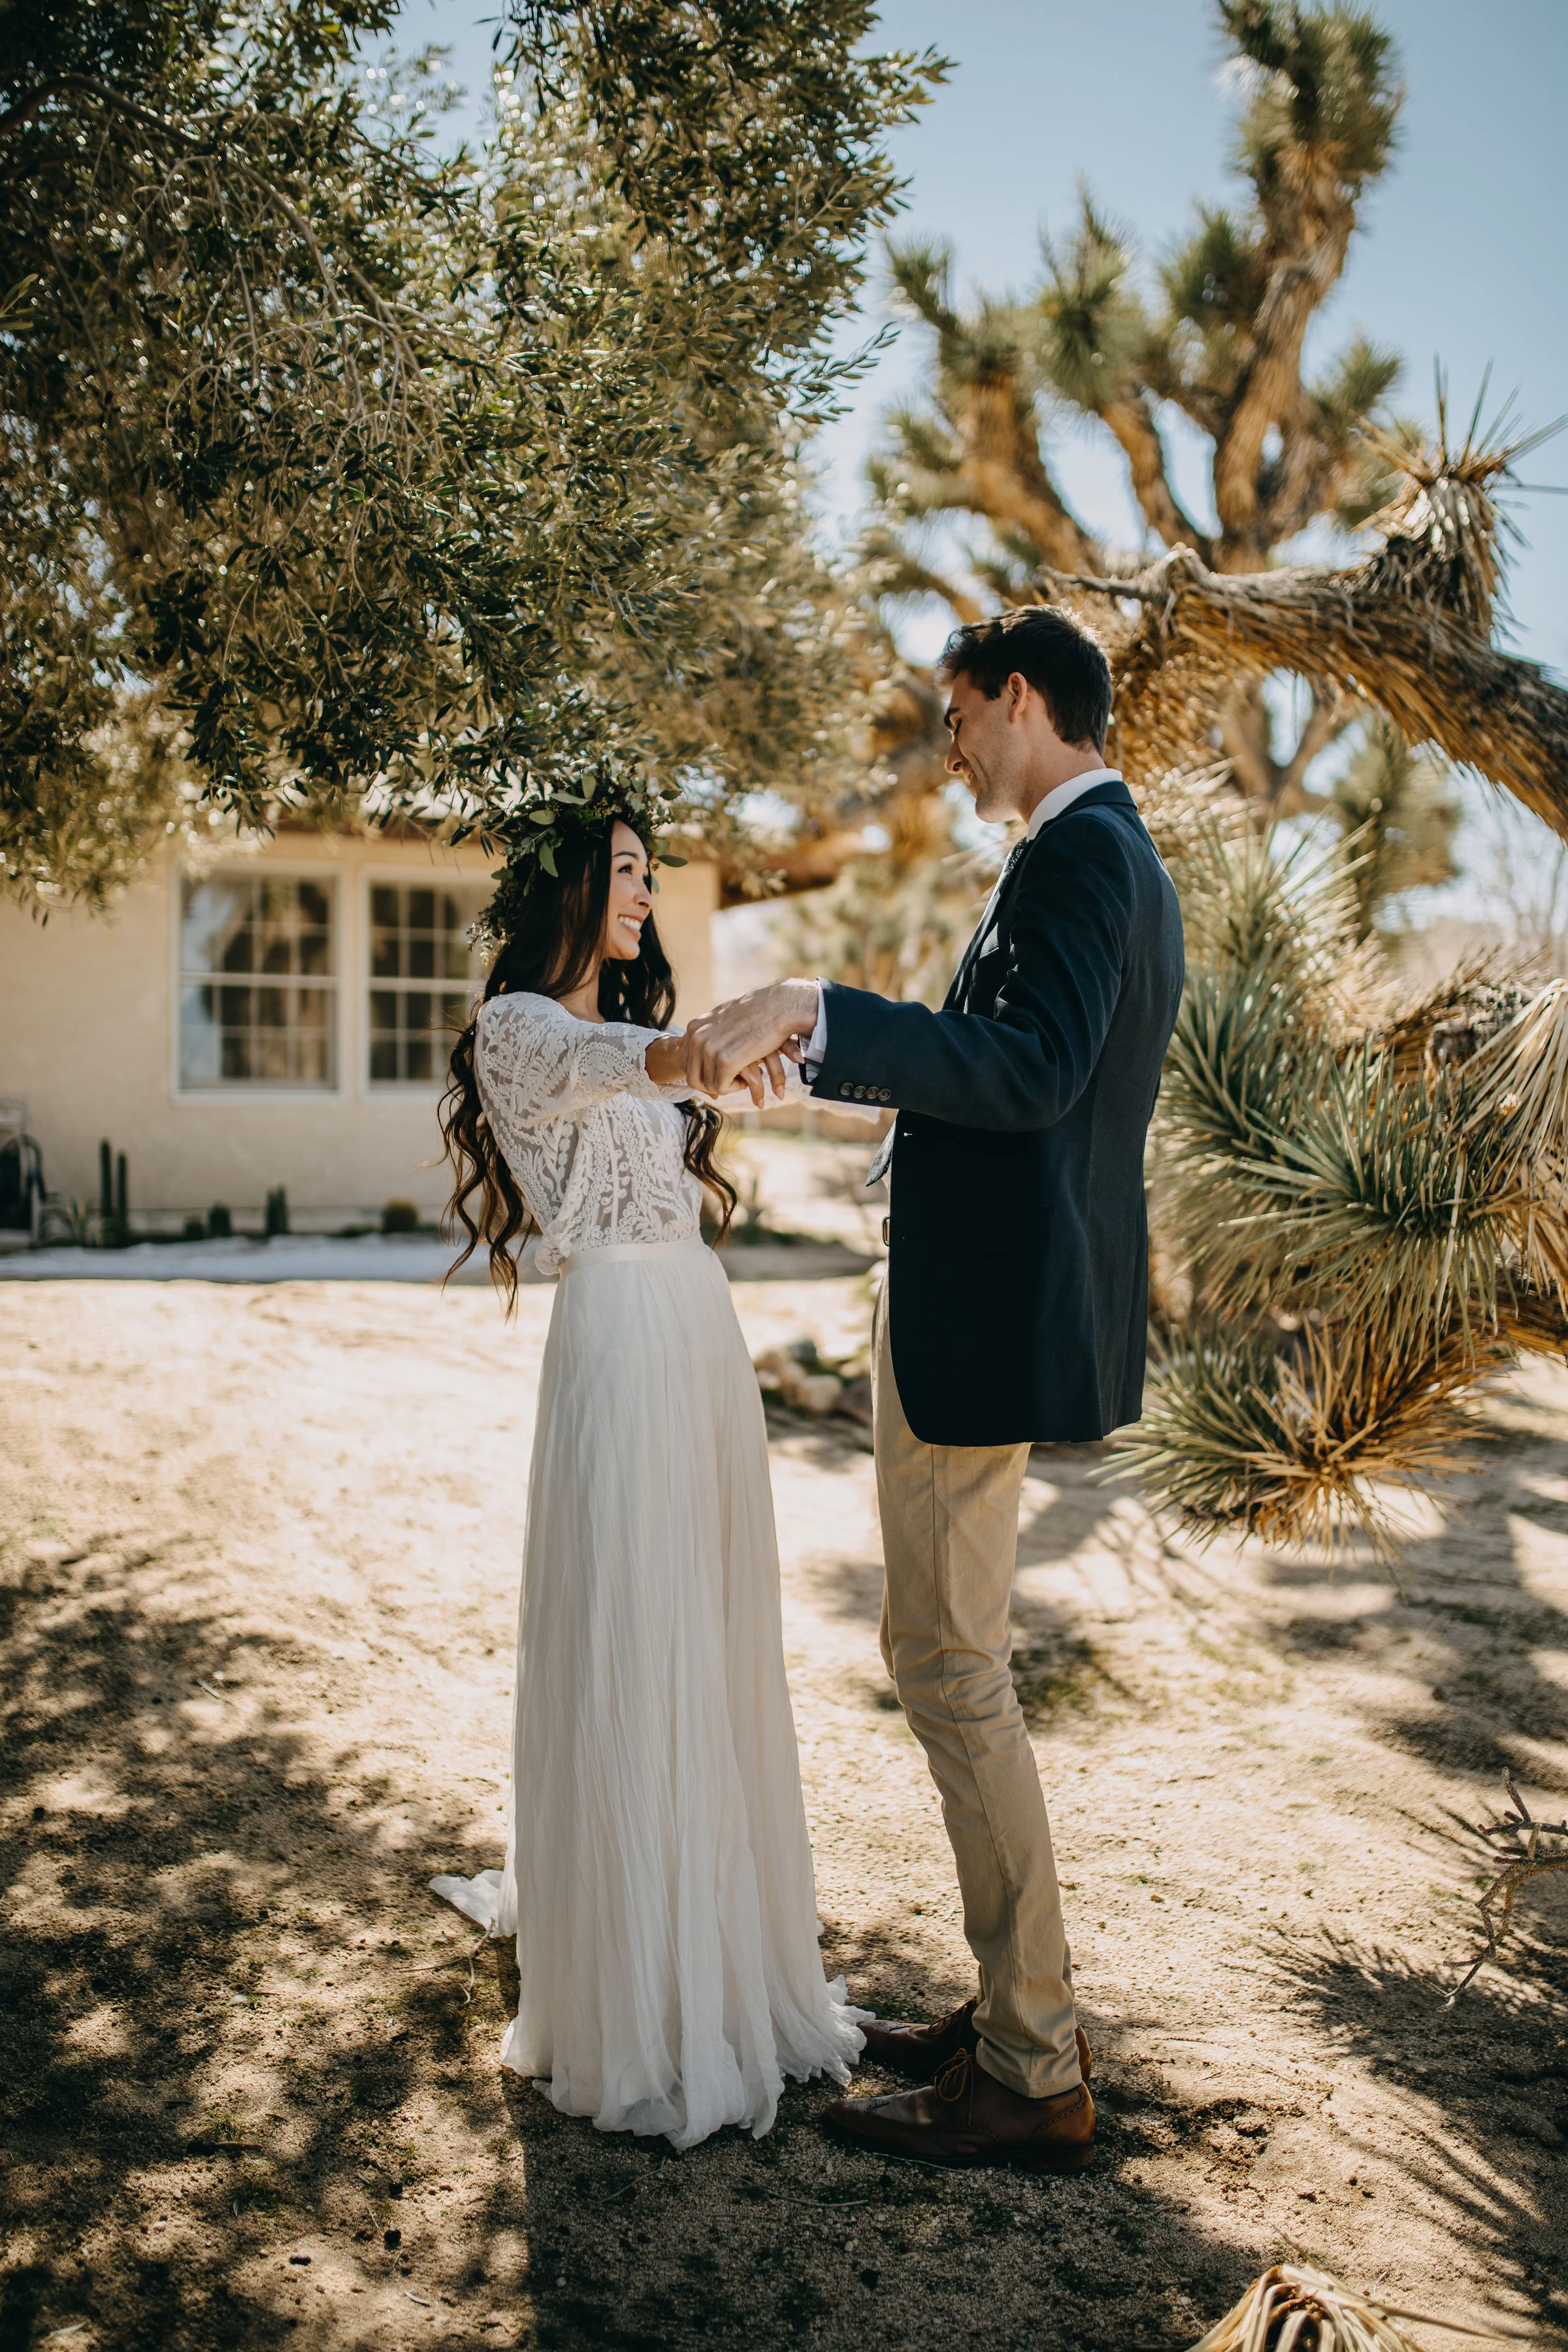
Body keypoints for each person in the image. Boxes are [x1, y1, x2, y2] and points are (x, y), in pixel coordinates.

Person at [682, 606, 1185, 2174]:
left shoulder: (1089, 856)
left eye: (958, 712)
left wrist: (824, 1011)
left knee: (950, 1664)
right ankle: (1011, 2009)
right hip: (975, 1311)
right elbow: (999, 1070)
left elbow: (1030, 1069)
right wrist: (844, 1063)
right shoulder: (1083, 855)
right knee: (944, 1652)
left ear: (1019, 696)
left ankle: (1032, 2057)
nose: (948, 741)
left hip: (983, 1329)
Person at [431, 801, 866, 2149]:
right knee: (632, 1638)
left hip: (697, 1333)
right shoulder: (522, 1029)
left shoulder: (630, 1051)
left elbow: (670, 1071)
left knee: (709, 1635)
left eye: (646, 873)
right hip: (618, 1339)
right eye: (621, 872)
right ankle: (635, 1976)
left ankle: (718, 1950)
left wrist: (741, 1071)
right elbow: (631, 1056)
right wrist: (703, 1049)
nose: (642, 893)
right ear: (567, 888)